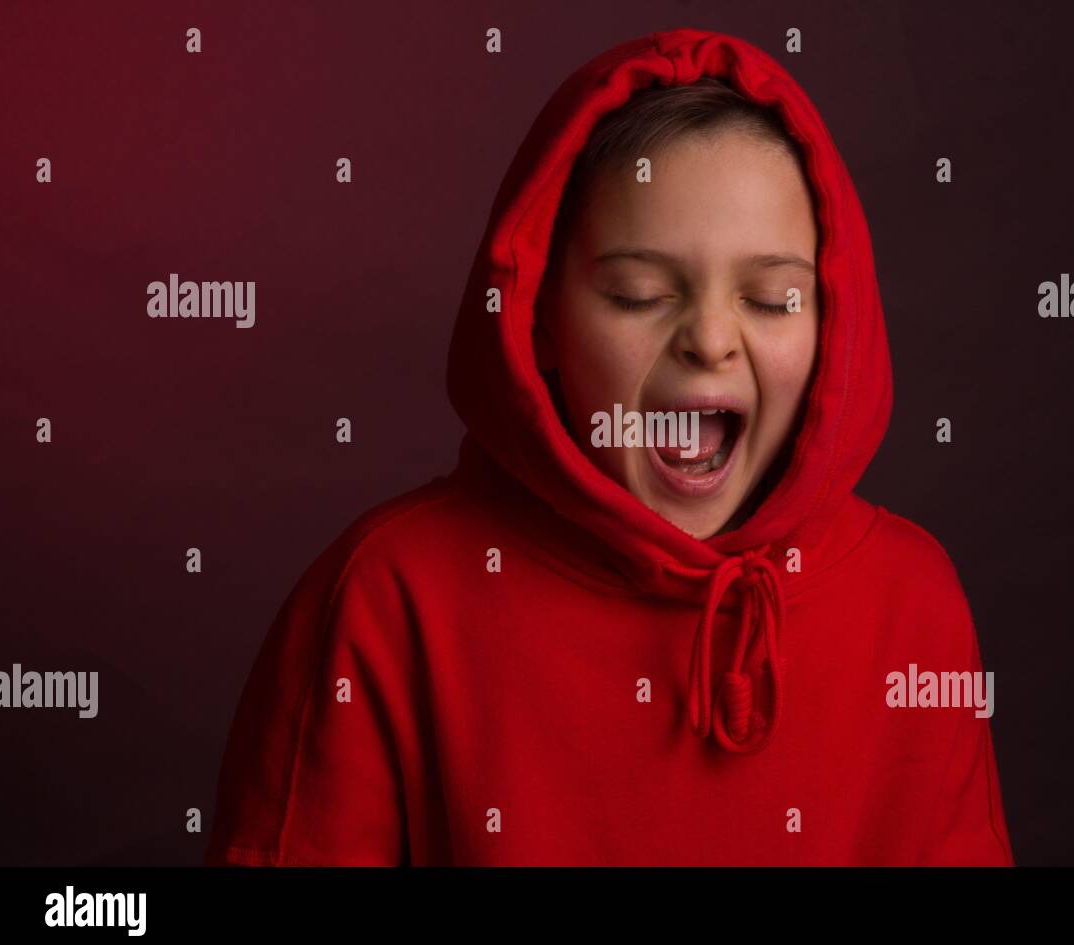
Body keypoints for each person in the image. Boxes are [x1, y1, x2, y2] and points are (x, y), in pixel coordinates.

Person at [204, 26, 1014, 866]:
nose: (709, 338)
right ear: (540, 318)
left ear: (832, 324)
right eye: (639, 294)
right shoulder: (385, 595)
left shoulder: (914, 601)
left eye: (772, 299)